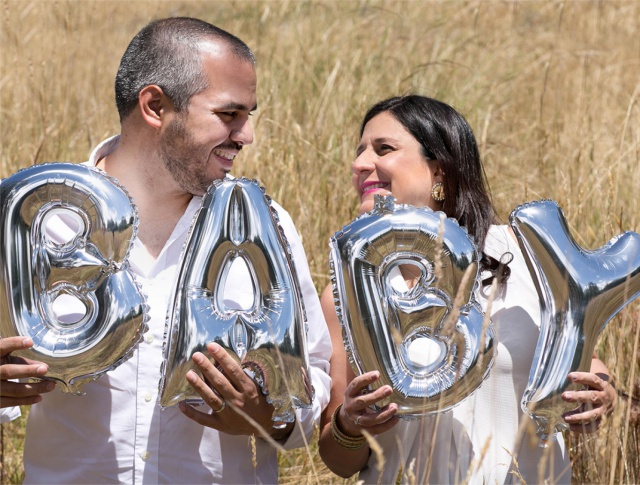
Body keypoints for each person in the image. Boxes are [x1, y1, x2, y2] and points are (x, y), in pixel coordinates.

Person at [0, 17, 331, 484]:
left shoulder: (266, 227)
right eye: (229, 114)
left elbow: (313, 379)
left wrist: (267, 414)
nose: (247, 135)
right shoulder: (32, 220)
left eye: (248, 115)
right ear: (155, 106)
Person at [317, 95, 617, 484]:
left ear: (439, 169)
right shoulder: (346, 291)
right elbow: (338, 459)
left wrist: (601, 394)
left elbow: (583, 364)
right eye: (359, 152)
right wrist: (349, 422)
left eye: (383, 149)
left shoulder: (525, 258)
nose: (359, 164)